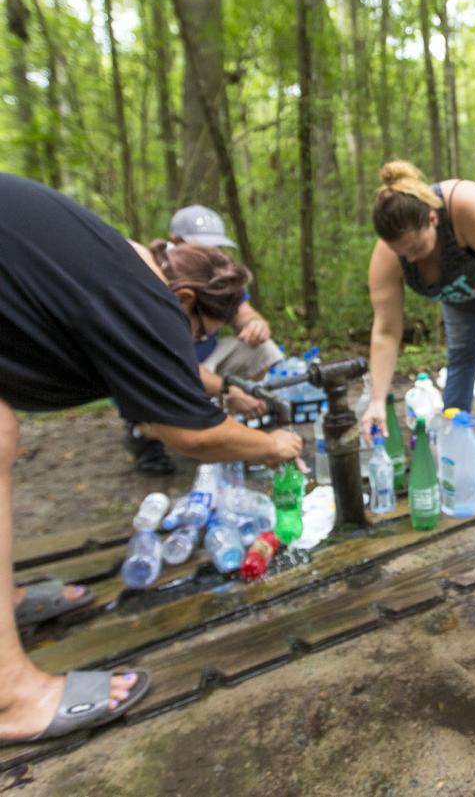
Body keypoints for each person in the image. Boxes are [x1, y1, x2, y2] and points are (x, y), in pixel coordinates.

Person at [0, 173, 303, 744]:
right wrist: (270, 444)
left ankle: (6, 603)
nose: (191, 342)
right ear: (184, 302)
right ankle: (8, 694)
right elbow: (191, 435)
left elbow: (167, 364)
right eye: (198, 332)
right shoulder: (145, 297)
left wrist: (223, 390)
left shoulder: (141, 266)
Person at [360, 161, 475, 489]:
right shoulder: (390, 254)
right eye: (402, 253)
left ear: (432, 219)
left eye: (416, 247)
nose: (411, 259)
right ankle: (453, 443)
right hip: (460, 287)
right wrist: (377, 399)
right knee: (460, 355)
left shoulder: (466, 206)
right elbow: (386, 331)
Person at [123, 206, 284, 475]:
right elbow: (168, 362)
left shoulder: (216, 276)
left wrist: (256, 325)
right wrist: (229, 389)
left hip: (205, 360)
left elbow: (246, 314)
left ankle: (233, 421)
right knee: (185, 422)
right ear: (176, 243)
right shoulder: (152, 290)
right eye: (201, 246)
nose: (211, 252)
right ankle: (145, 431)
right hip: (164, 368)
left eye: (216, 247)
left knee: (262, 350)